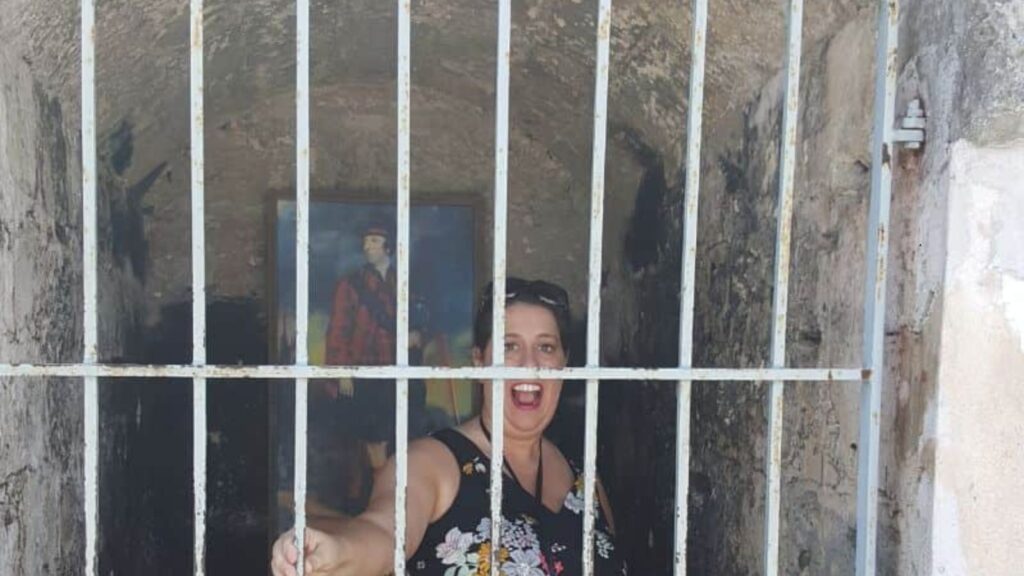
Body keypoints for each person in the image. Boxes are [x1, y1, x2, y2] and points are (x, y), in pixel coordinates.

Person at [272, 278, 627, 576]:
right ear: (478, 361)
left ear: (565, 363)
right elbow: (384, 530)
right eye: (509, 346)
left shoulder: (587, 484)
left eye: (546, 347)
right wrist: (337, 553)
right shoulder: (432, 464)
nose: (529, 364)